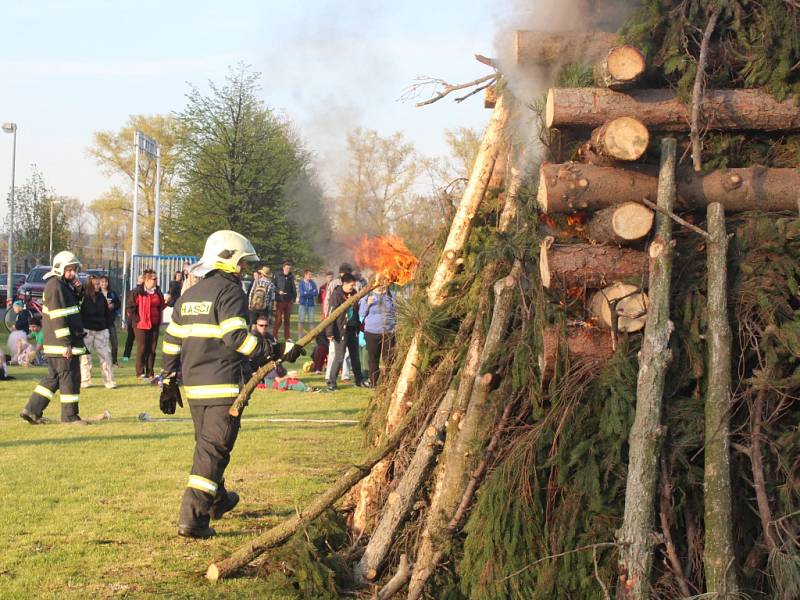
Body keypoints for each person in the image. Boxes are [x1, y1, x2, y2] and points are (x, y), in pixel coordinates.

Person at [159, 229, 302, 539]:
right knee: (212, 451)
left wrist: (169, 380)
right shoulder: (230, 291)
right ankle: (193, 520)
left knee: (209, 447)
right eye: (242, 264)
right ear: (228, 260)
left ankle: (217, 502)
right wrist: (275, 350)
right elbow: (236, 338)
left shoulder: (189, 296)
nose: (244, 270)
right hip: (223, 387)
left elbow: (171, 342)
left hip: (195, 390)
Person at [20, 251, 88, 425]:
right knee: (69, 378)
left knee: (54, 378)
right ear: (60, 269)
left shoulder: (61, 285)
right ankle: (70, 416)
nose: (73, 273)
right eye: (70, 269)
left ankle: (32, 410)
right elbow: (59, 317)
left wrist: (79, 292)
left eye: (74, 269)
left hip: (57, 344)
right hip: (62, 345)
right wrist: (67, 344)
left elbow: (72, 311)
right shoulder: (56, 286)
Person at [325, 273, 367, 391]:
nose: (352, 287)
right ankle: (331, 382)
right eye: (351, 285)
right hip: (340, 331)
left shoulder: (353, 293)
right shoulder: (336, 295)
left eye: (354, 285)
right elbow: (331, 315)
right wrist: (329, 332)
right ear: (344, 283)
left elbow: (356, 310)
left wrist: (358, 326)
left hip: (353, 329)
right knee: (339, 357)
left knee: (355, 357)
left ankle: (359, 380)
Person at [79, 275, 117, 389]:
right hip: (87, 330)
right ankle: (85, 380)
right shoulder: (83, 297)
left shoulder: (101, 297)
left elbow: (106, 313)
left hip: (101, 330)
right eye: (95, 284)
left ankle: (109, 380)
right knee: (86, 357)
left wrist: (107, 326)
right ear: (89, 285)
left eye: (98, 284)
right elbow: (80, 313)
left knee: (105, 356)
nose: (97, 286)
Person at [359, 285, 397, 387]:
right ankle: (374, 382)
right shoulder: (367, 296)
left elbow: (398, 311)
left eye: (385, 283)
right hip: (372, 332)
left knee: (389, 359)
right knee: (373, 359)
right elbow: (361, 313)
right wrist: (367, 304)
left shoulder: (391, 295)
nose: (383, 286)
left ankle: (389, 382)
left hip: (388, 332)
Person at [132, 270, 166, 381]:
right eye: (154, 279)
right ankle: (140, 372)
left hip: (154, 324)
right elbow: (130, 308)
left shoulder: (157, 291)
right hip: (141, 325)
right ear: (146, 280)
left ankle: (150, 372)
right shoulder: (138, 292)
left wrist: (166, 301)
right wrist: (138, 320)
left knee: (152, 349)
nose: (156, 281)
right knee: (142, 348)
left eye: (156, 279)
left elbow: (161, 306)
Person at [99, 276, 121, 366]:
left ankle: (114, 362)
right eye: (102, 282)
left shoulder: (112, 293)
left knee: (114, 342)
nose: (104, 284)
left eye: (106, 282)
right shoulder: (97, 293)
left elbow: (118, 303)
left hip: (110, 322)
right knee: (103, 344)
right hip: (100, 323)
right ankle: (104, 362)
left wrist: (113, 306)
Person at [123, 274, 145, 362]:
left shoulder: (147, 292)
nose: (142, 280)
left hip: (142, 318)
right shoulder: (133, 292)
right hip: (133, 318)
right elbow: (129, 305)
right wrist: (129, 314)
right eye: (141, 278)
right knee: (130, 337)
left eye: (143, 278)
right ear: (137, 280)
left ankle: (141, 357)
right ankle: (126, 355)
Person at [273, 261, 296, 341]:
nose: (288, 269)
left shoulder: (291, 276)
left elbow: (293, 288)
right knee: (278, 320)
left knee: (287, 320)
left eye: (289, 268)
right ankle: (274, 337)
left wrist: (294, 298)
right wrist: (279, 291)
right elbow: (273, 286)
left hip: (289, 301)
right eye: (286, 268)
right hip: (280, 300)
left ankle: (287, 338)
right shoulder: (278, 275)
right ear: (283, 268)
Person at [297, 269, 317, 339]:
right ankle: (300, 336)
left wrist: (307, 292)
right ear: (305, 275)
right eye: (309, 274)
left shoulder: (313, 283)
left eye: (311, 274)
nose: (310, 276)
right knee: (301, 321)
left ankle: (312, 337)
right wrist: (310, 292)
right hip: (302, 304)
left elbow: (316, 293)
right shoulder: (301, 283)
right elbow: (302, 294)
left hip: (311, 305)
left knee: (311, 321)